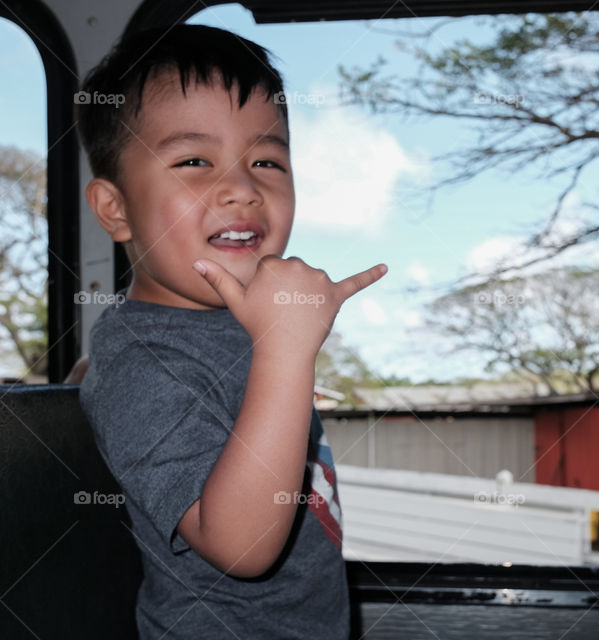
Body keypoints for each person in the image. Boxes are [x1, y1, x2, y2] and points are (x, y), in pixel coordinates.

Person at [76, 24, 386, 639]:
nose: (243, 188)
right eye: (195, 160)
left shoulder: (234, 327)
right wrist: (287, 351)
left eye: (267, 160)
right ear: (116, 209)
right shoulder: (146, 359)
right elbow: (242, 548)